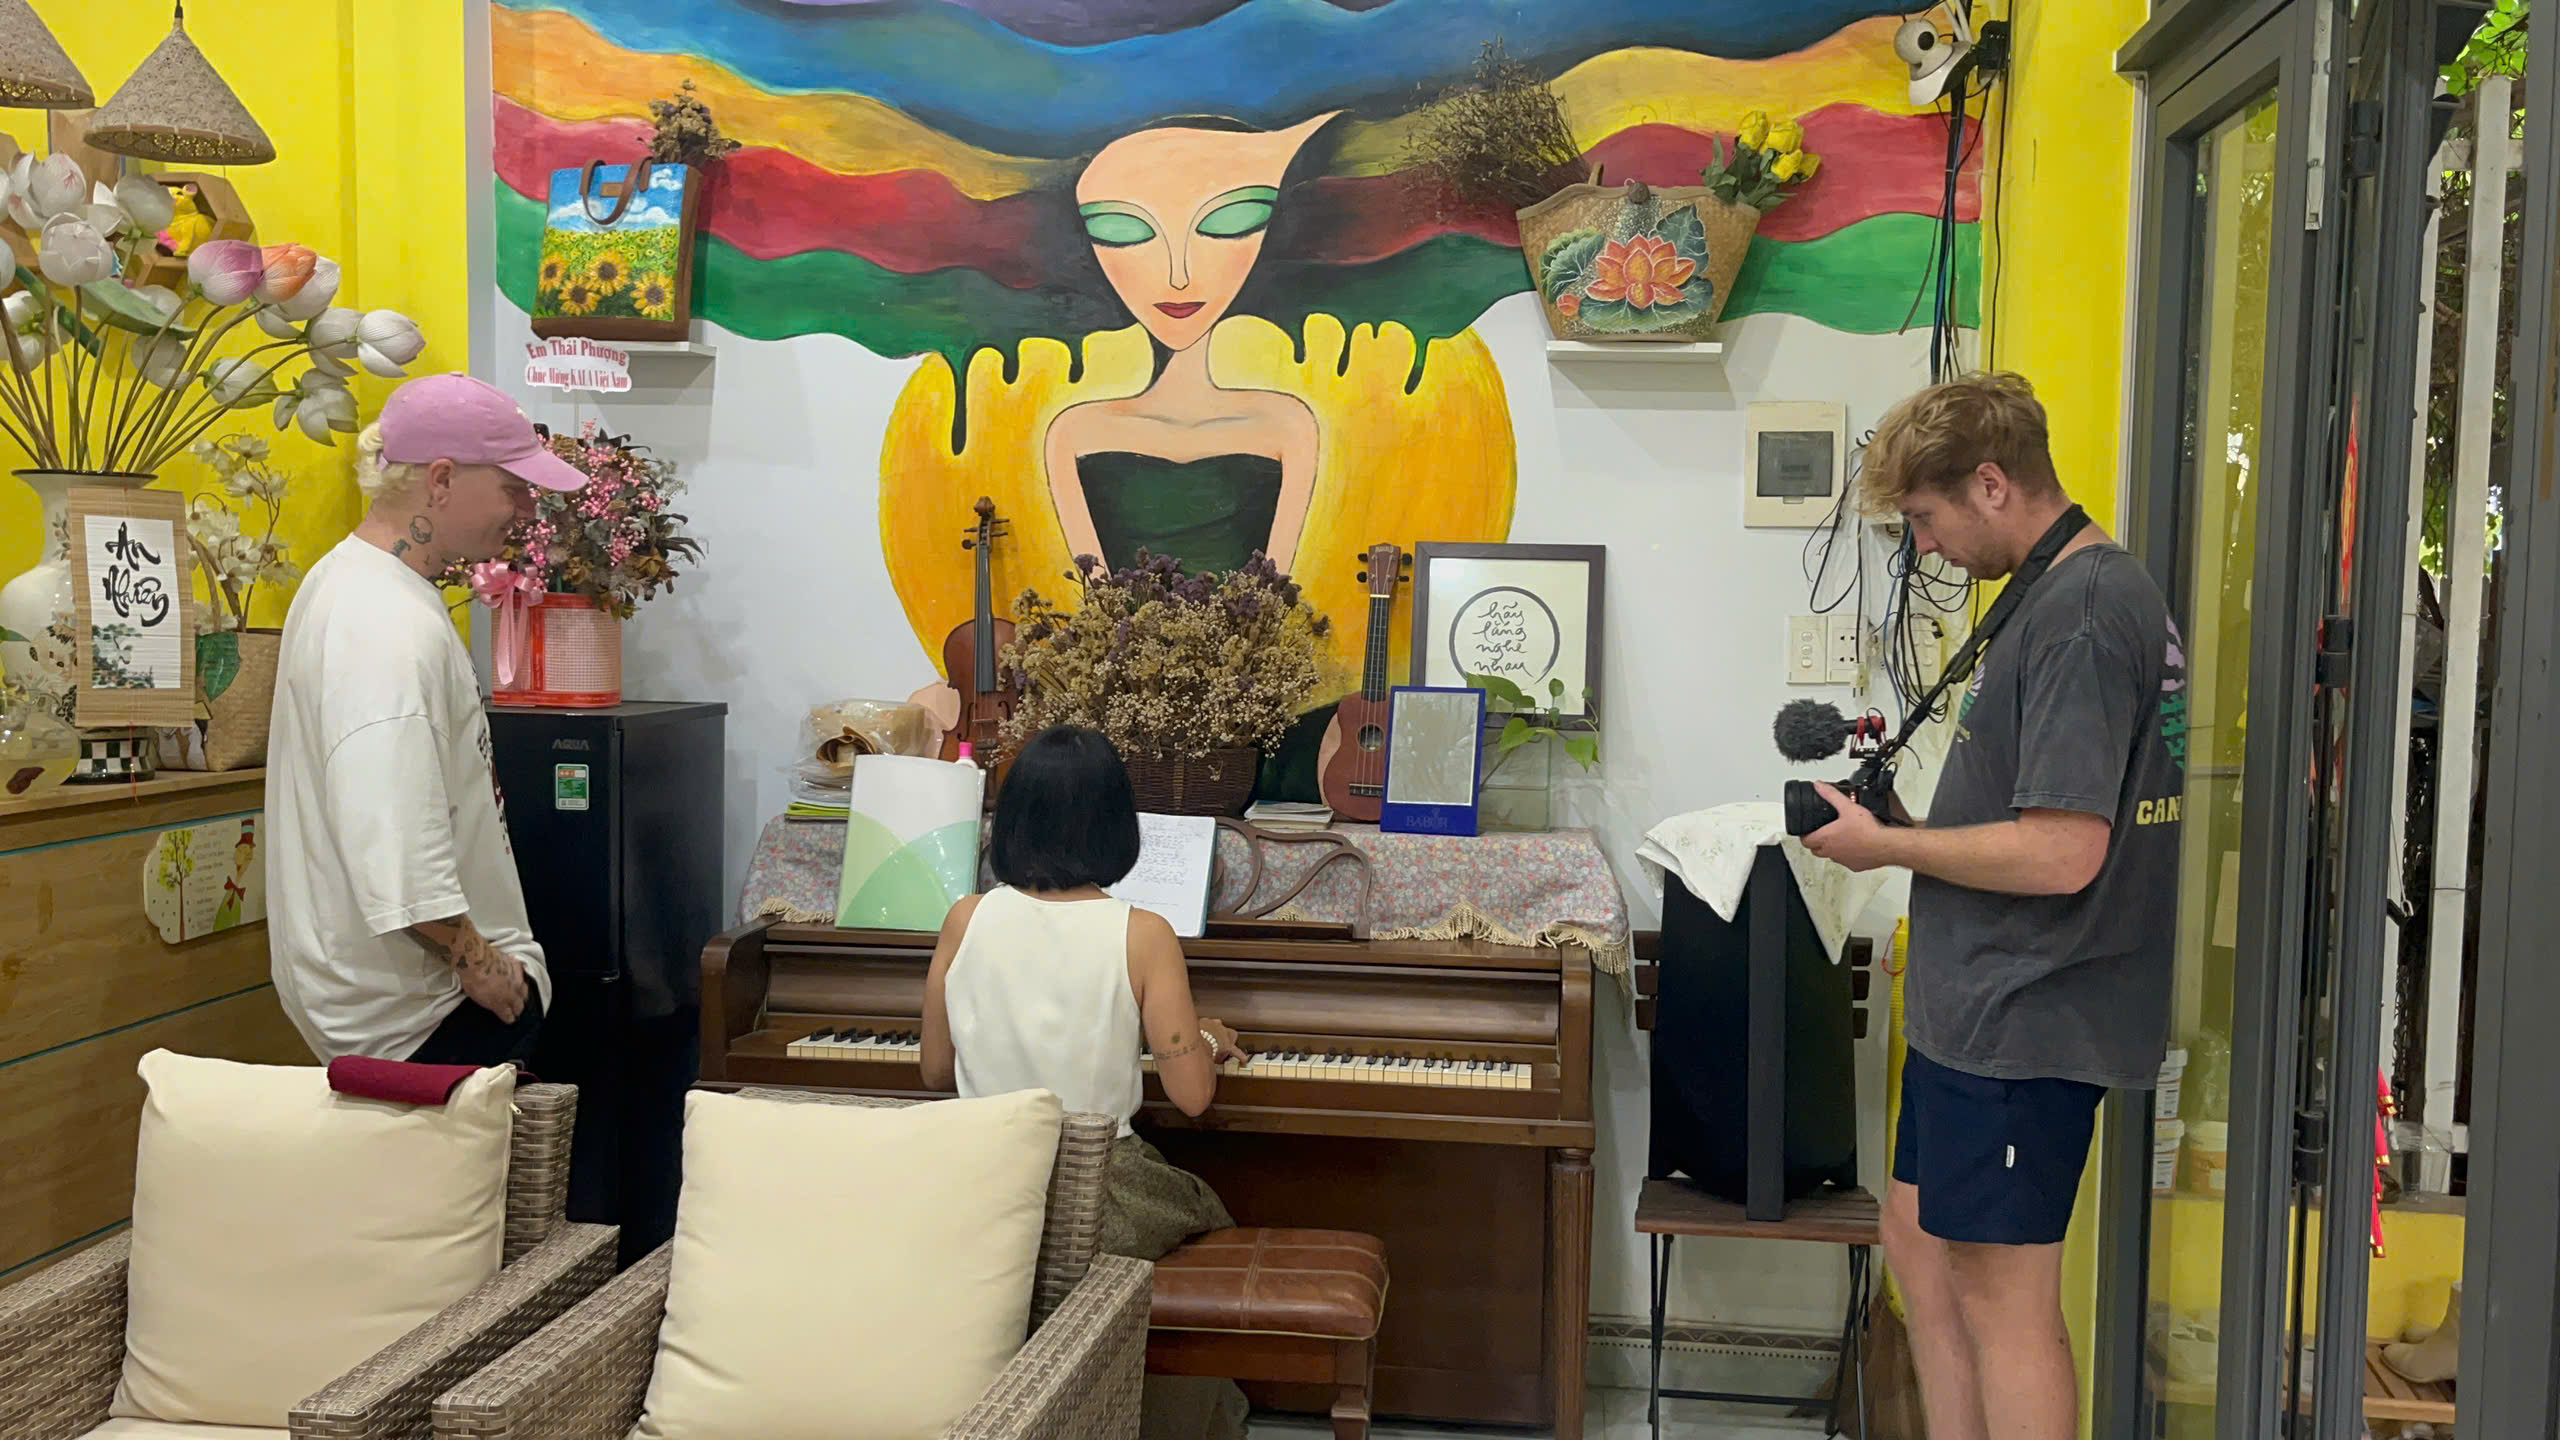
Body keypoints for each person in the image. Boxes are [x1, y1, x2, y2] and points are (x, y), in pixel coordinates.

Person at [1801, 372, 2186, 1440]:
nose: (1926, 548)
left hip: (2029, 1015)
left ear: (1990, 483)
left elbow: (2064, 853)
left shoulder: (2081, 615)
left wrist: (1887, 846)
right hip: (1982, 1008)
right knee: (1921, 1248)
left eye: (1926, 520)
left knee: (2003, 1299)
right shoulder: (2057, 593)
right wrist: (1910, 837)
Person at [920, 725, 1251, 1440]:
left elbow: (936, 1070)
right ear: (1115, 826)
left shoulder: (965, 918)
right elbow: (1193, 1097)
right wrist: (1205, 1038)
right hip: (1100, 1192)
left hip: (981, 1186)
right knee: (1209, 1215)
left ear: (1011, 821)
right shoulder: (1142, 932)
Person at [266, 373, 586, 1065]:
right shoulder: (383, 621)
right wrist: (481, 965)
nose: (525, 508)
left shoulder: (359, 585)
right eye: (513, 487)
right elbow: (395, 838)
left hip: (407, 1004)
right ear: (441, 480)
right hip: (421, 1016)